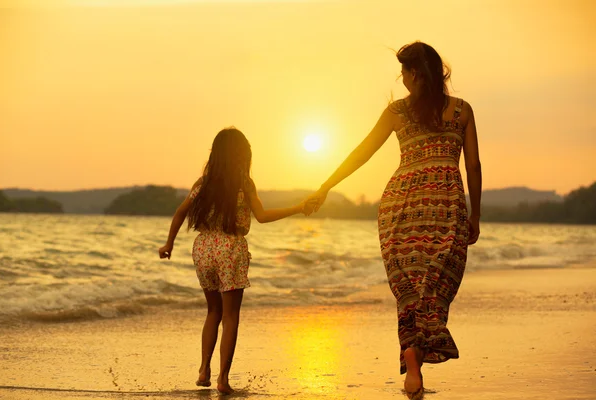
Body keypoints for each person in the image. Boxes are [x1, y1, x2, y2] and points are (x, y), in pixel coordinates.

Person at [306, 41, 482, 399]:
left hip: (399, 208)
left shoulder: (398, 112)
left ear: (414, 73)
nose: (400, 78)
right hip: (446, 208)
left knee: (408, 291)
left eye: (403, 71)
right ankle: (415, 359)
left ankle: (412, 361)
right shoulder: (461, 111)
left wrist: (325, 186)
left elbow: (362, 153)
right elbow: (474, 166)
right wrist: (475, 214)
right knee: (434, 287)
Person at [159, 127, 311, 395]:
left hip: (203, 248)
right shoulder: (244, 183)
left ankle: (203, 369)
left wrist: (169, 243)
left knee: (212, 312)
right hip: (230, 249)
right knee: (230, 316)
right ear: (242, 155)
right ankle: (223, 379)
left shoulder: (202, 184)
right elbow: (262, 216)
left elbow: (181, 211)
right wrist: (298, 208)